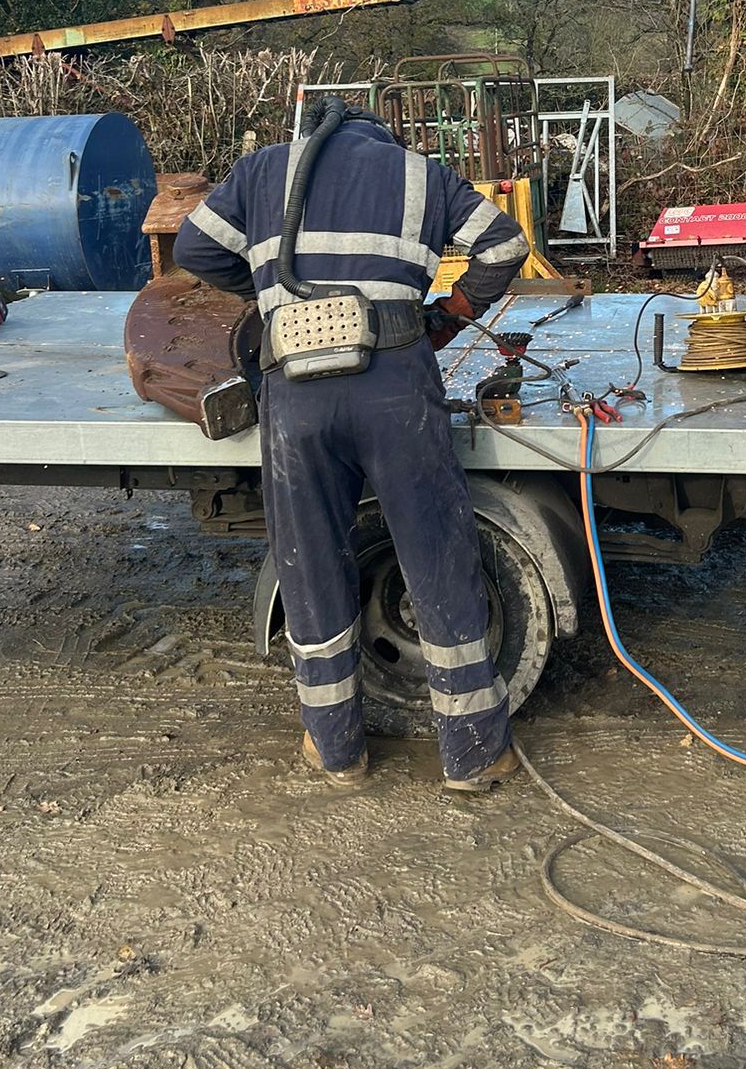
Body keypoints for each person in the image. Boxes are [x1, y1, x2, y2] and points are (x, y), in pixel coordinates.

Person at [173, 99, 531, 795]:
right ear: (384, 136)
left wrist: (274, 293)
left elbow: (191, 249)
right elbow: (504, 246)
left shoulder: (262, 170)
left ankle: (337, 750)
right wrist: (452, 315)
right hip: (395, 379)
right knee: (434, 550)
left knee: (308, 559)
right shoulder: (420, 175)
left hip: (296, 390)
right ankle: (475, 753)